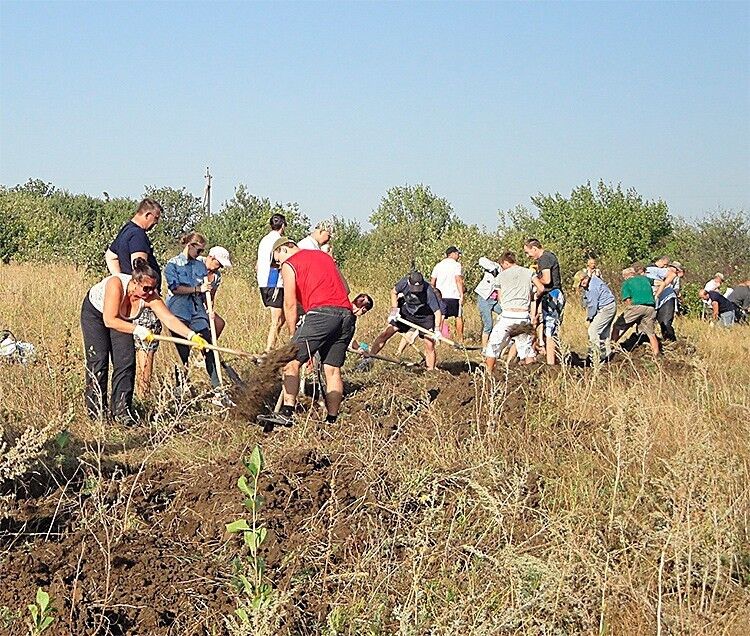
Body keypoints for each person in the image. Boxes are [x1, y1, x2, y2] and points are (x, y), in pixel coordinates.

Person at [81, 258, 207, 425]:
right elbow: (110, 320)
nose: (149, 293)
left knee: (126, 361)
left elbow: (169, 319)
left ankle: (122, 412)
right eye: (146, 288)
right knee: (99, 360)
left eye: (153, 289)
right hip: (96, 316)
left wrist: (192, 336)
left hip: (121, 320)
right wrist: (138, 330)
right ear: (134, 283)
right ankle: (96, 412)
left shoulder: (150, 296)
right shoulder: (116, 284)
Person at [267, 238, 355, 427]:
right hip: (346, 316)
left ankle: (287, 413)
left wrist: (293, 336)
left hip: (322, 314)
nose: (279, 265)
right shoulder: (324, 257)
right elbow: (345, 289)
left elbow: (289, 303)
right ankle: (332, 420)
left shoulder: (290, 264)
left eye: (277, 260)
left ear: (283, 249)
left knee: (290, 361)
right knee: (332, 370)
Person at [105, 198, 164, 398]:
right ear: (147, 214)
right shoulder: (139, 235)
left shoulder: (125, 230)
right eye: (155, 219)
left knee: (127, 355)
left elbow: (110, 256)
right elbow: (140, 266)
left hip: (129, 298)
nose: (155, 223)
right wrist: (143, 290)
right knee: (145, 351)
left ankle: (128, 398)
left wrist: (119, 279)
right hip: (142, 302)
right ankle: (143, 396)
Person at [164, 233, 225, 393]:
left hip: (197, 312)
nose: (200, 255)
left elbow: (206, 292)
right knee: (182, 350)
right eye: (198, 251)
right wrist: (197, 289)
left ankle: (217, 389)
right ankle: (181, 386)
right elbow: (175, 288)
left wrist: (209, 309)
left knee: (208, 345)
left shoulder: (200, 267)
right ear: (190, 246)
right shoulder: (173, 265)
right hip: (178, 312)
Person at [367, 272, 443, 371]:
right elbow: (393, 292)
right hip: (406, 313)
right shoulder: (403, 283)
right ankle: (369, 358)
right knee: (386, 333)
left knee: (429, 344)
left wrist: (437, 330)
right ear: (409, 282)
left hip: (425, 317)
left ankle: (430, 371)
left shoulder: (428, 290)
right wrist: (395, 310)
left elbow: (437, 312)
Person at [483, 252, 545, 372]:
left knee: (493, 346)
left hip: (507, 315)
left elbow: (500, 298)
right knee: (527, 349)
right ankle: (531, 377)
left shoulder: (501, 276)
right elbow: (541, 288)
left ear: (505, 263)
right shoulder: (528, 272)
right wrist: (532, 296)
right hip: (523, 315)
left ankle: (489, 375)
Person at [523, 238, 564, 365]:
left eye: (527, 252)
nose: (527, 255)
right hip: (553, 295)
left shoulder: (544, 259)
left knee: (549, 331)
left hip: (553, 295)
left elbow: (546, 280)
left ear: (534, 249)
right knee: (551, 330)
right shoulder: (548, 256)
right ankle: (555, 360)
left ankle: (551, 364)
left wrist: (533, 279)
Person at [611, 263, 660, 356]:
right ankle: (656, 354)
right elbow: (661, 283)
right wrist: (656, 295)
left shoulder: (627, 283)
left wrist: (632, 314)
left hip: (636, 306)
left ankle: (611, 346)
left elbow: (627, 300)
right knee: (651, 333)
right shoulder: (645, 279)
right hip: (651, 308)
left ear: (626, 276)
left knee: (617, 325)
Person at [256, 213, 287, 351]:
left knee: (281, 319)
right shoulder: (280, 241)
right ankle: (269, 351)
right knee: (276, 320)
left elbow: (257, 264)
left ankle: (272, 347)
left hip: (263, 282)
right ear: (283, 225)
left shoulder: (264, 240)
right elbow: (276, 262)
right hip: (274, 283)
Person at [579, 274, 617, 363]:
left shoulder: (593, 287)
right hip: (610, 306)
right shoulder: (593, 281)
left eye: (581, 281)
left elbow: (592, 305)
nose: (581, 284)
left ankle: (595, 357)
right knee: (604, 333)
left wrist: (590, 317)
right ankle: (607, 356)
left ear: (585, 278)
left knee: (592, 331)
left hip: (606, 308)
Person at [198, 245, 233, 340]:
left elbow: (211, 296)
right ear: (211, 258)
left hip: (201, 307)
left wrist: (210, 310)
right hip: (188, 304)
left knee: (219, 323)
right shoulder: (197, 263)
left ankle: (207, 351)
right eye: (219, 263)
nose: (220, 267)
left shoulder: (217, 276)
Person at [430, 246, 465, 342]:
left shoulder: (438, 265)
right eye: (457, 253)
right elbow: (458, 280)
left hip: (441, 296)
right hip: (454, 295)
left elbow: (432, 282)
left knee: (441, 317)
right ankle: (460, 340)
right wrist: (461, 294)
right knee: (458, 316)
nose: (458, 255)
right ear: (452, 254)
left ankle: (438, 339)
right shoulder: (456, 265)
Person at [646, 259, 680, 341]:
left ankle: (671, 341)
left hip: (666, 298)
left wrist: (662, 286)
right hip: (653, 300)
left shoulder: (651, 270)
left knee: (665, 322)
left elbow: (672, 275)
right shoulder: (634, 280)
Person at [475, 256, 501, 348]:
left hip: (495, 300)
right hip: (485, 298)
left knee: (505, 314)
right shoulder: (494, 266)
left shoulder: (505, 271)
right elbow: (481, 260)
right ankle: (485, 348)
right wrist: (493, 268)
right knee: (488, 324)